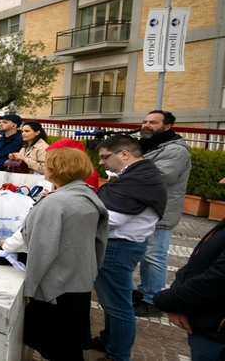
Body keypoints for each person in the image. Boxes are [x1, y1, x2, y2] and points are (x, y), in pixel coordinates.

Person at [0, 148, 108, 361]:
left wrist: (30, 289)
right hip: (79, 280)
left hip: (55, 288)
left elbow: (42, 249)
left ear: (56, 168)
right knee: (70, 345)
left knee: (59, 348)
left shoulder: (55, 203)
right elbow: (100, 241)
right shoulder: (89, 196)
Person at [87, 135, 166, 361]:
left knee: (118, 305)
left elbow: (111, 219)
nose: (101, 162)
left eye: (104, 157)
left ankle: (117, 355)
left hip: (119, 246)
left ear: (124, 154)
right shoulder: (140, 174)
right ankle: (109, 340)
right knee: (112, 300)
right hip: (122, 245)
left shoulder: (139, 179)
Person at [135, 110, 192, 318]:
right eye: (145, 121)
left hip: (161, 211)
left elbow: (159, 176)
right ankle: (144, 290)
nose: (146, 125)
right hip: (148, 209)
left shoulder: (176, 150)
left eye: (153, 122)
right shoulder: (153, 145)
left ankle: (154, 300)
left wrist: (128, 168)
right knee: (146, 254)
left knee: (155, 256)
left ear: (167, 126)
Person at [153, 200, 225, 360]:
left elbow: (216, 282)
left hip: (216, 334)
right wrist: (176, 291)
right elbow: (198, 262)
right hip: (207, 328)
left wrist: (166, 300)